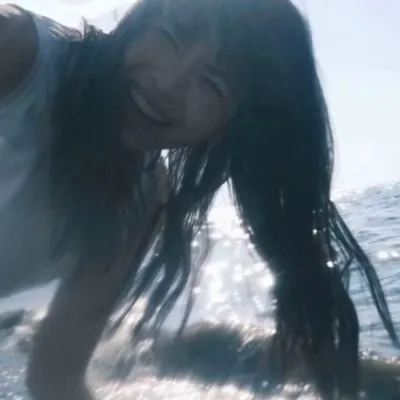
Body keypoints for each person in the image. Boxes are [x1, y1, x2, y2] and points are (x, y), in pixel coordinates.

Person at [0, 0, 397, 399]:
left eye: (212, 83)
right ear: (138, 21)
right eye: (171, 35)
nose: (168, 85)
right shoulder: (17, 52)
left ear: (228, 127)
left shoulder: (139, 204)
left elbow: (55, 378)